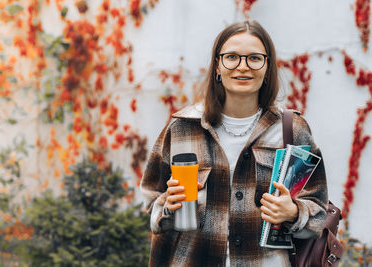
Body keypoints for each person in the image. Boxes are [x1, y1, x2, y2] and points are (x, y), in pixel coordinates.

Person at [140, 20, 328, 267]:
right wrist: (167, 204)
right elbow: (151, 201)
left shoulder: (291, 130)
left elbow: (318, 210)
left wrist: (293, 212)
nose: (243, 67)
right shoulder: (182, 128)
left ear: (267, 67)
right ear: (218, 65)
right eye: (232, 57)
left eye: (254, 58)